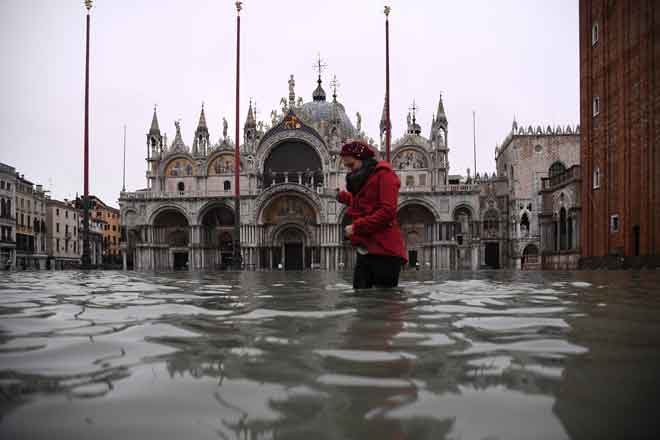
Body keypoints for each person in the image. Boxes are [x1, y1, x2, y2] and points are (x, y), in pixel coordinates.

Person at [336, 140, 407, 289]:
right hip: (366, 248)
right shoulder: (364, 179)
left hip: (385, 251)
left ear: (363, 160)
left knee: (383, 303)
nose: (349, 171)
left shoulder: (385, 175)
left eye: (351, 165)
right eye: (346, 167)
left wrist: (356, 227)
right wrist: (342, 196)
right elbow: (366, 203)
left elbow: (387, 212)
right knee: (361, 298)